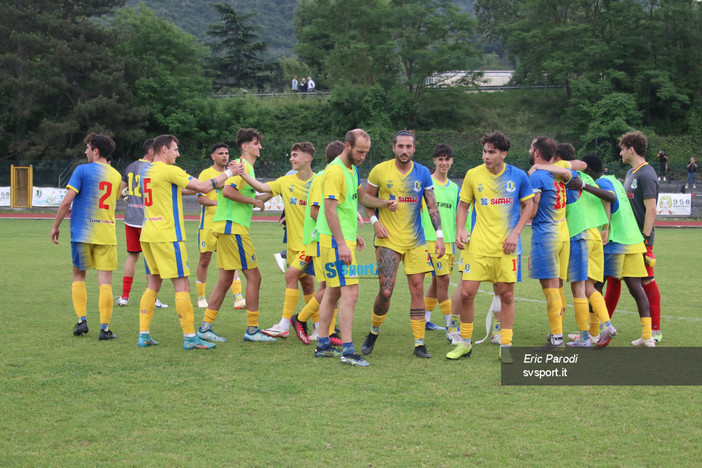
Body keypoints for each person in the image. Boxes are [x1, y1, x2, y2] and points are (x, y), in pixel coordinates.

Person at [136, 134, 236, 349]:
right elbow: (200, 187)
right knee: (181, 284)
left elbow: (181, 189)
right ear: (164, 150)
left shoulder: (147, 171)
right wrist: (230, 173)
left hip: (148, 233)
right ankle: (191, 338)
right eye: (175, 150)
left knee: (153, 283)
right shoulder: (170, 170)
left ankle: (143, 335)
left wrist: (212, 186)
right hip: (168, 235)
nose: (178, 154)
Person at [447, 132, 534, 363]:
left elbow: (529, 206)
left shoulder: (518, 176)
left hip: (507, 246)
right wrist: (460, 230)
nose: (486, 156)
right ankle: (465, 343)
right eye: (484, 151)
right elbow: (463, 205)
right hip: (477, 245)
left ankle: (505, 346)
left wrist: (515, 233)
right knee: (466, 293)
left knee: (506, 294)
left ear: (503, 154)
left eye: (492, 152)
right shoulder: (472, 175)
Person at [314, 129, 397, 367]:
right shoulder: (334, 171)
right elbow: (328, 210)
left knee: (333, 292)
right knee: (351, 293)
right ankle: (348, 351)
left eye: (366, 153)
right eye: (360, 151)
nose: (363, 156)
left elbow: (360, 198)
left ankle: (322, 344)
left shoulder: (352, 170)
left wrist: (384, 203)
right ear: (347, 146)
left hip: (341, 239)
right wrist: (341, 243)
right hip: (333, 241)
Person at [361, 130, 445, 359]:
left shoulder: (423, 173)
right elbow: (366, 200)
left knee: (417, 289)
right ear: (394, 148)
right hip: (388, 239)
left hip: (415, 241)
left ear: (414, 149)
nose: (405, 150)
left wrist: (439, 234)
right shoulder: (380, 170)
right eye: (400, 146)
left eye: (409, 147)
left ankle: (419, 343)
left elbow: (432, 205)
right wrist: (375, 221)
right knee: (386, 291)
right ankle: (373, 331)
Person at [533, 146, 618, 348]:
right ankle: (599, 329)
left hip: (578, 233)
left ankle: (592, 333)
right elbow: (606, 198)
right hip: (595, 234)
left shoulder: (564, 177)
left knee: (578, 288)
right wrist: (605, 227)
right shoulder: (585, 178)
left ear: (559, 159)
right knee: (590, 286)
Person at [196, 128, 275, 343]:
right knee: (254, 277)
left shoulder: (243, 168)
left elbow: (253, 195)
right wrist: (254, 201)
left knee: (225, 278)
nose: (260, 147)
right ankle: (252, 330)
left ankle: (205, 327)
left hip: (225, 227)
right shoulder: (243, 166)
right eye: (256, 143)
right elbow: (230, 191)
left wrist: (276, 191)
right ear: (245, 146)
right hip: (233, 228)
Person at [237, 142, 318, 339]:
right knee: (307, 284)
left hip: (311, 244)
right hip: (292, 245)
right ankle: (319, 326)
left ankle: (284, 325)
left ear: (307, 158)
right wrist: (243, 175)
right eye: (291, 155)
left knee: (290, 277)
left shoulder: (319, 182)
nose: (291, 158)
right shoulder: (285, 181)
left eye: (295, 155)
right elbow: (262, 187)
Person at [50, 133, 123, 340]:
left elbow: (66, 202)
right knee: (105, 282)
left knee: (79, 276)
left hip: (82, 233)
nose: (85, 152)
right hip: (106, 234)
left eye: (87, 148)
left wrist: (55, 226)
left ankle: (82, 321)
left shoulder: (82, 170)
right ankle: (105, 329)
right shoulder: (116, 175)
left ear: (96, 150)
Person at [581, 154, 655, 347]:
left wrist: (605, 229)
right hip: (633, 241)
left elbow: (609, 201)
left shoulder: (602, 182)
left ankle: (594, 333)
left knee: (595, 286)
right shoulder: (614, 179)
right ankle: (647, 336)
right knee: (636, 289)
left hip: (615, 242)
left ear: (587, 170)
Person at [291, 140, 347, 345]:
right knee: (333, 286)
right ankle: (301, 319)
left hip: (327, 238)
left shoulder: (334, 175)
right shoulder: (323, 177)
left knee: (331, 286)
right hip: (319, 240)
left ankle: (328, 331)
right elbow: (316, 211)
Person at [609, 131, 661, 343]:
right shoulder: (632, 172)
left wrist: (646, 240)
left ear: (631, 148)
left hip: (639, 241)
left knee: (648, 282)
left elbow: (651, 210)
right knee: (613, 279)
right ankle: (602, 326)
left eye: (622, 148)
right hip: (626, 239)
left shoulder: (646, 174)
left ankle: (655, 331)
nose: (620, 152)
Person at [527, 136, 577, 352]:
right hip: (563, 234)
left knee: (549, 288)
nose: (529, 150)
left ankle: (556, 339)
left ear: (537, 152)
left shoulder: (537, 177)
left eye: (531, 147)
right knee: (557, 286)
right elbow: (574, 169)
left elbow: (533, 210)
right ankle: (556, 332)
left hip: (546, 236)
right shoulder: (561, 171)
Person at [116, 138, 168, 310]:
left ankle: (124, 296)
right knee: (150, 258)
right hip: (147, 219)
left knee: (132, 256)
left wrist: (129, 195)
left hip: (130, 217)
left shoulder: (130, 167)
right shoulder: (153, 168)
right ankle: (152, 297)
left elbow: (121, 193)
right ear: (151, 151)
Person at [194, 143, 245, 310]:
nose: (224, 156)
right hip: (208, 225)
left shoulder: (233, 173)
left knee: (230, 261)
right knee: (204, 260)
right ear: (213, 156)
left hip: (226, 224)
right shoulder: (206, 174)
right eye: (220, 153)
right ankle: (201, 297)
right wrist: (218, 203)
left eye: (227, 153)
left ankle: (238, 297)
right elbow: (201, 199)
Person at [421, 144, 459, 332]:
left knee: (438, 281)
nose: (444, 163)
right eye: (440, 159)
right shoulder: (427, 185)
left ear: (452, 161)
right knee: (443, 280)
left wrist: (462, 232)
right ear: (434, 160)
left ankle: (426, 319)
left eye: (447, 159)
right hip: (429, 240)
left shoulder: (454, 188)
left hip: (449, 241)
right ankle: (450, 325)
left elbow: (460, 214)